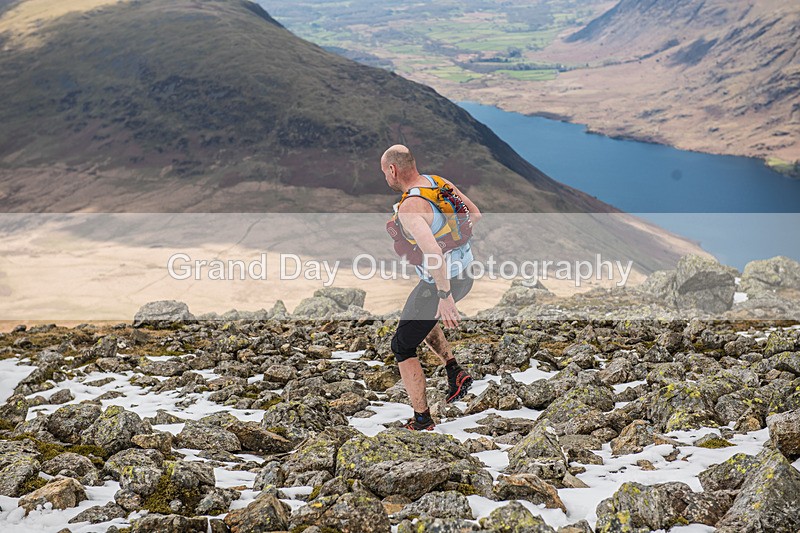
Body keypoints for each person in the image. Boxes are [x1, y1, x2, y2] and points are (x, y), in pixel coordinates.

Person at [380, 144, 482, 431]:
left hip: (443, 282)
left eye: (384, 172)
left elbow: (434, 253)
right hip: (465, 272)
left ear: (392, 170)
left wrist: (444, 296)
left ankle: (422, 420)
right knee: (419, 319)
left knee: (401, 344)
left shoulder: (411, 208)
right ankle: (454, 371)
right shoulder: (438, 183)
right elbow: (474, 215)